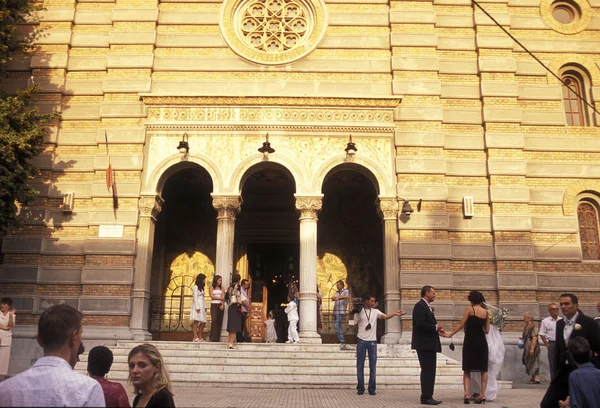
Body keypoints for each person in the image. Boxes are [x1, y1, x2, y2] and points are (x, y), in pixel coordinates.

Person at [0, 304, 105, 407]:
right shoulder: (88, 389)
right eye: (80, 334)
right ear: (74, 338)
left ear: (39, 340)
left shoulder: (5, 389)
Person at [541, 293, 600, 408]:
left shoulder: (588, 323)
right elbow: (559, 349)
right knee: (547, 404)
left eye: (567, 304)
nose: (563, 307)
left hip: (583, 372)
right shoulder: (560, 324)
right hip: (564, 372)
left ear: (576, 306)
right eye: (561, 304)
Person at [354, 295, 404, 396]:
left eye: (374, 301)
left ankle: (372, 388)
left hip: (372, 342)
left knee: (373, 366)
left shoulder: (376, 312)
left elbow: (385, 317)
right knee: (360, 365)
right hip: (361, 341)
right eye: (371, 301)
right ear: (367, 301)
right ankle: (360, 388)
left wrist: (394, 313)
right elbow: (353, 324)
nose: (373, 303)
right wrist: (353, 313)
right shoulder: (360, 312)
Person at [446, 290, 490, 404]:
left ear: (471, 300)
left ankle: (466, 394)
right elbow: (487, 330)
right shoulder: (486, 312)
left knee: (467, 369)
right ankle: (482, 394)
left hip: (470, 341)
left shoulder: (469, 309)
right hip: (481, 342)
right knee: (483, 369)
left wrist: (450, 334)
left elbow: (461, 324)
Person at [411, 285, 445, 406]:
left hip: (428, 344)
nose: (434, 295)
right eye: (433, 293)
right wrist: (435, 327)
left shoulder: (426, 306)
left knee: (429, 371)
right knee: (428, 371)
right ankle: (426, 397)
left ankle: (427, 395)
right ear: (427, 293)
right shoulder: (420, 306)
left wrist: (437, 329)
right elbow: (420, 325)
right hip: (424, 345)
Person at [557, 337, 600, 408]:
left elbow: (576, 404)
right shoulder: (598, 373)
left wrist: (565, 405)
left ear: (571, 356)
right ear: (590, 353)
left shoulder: (575, 376)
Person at [128, 343, 175, 408]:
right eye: (132, 366)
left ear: (157, 367)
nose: (134, 371)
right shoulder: (138, 399)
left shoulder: (162, 397)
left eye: (142, 365)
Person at [540, 303, 562, 381]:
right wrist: (547, 344)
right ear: (549, 311)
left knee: (561, 362)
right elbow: (542, 334)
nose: (555, 311)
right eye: (553, 309)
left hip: (561, 343)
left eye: (557, 309)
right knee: (552, 363)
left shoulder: (561, 320)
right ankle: (553, 381)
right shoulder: (545, 321)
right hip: (552, 343)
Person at [225, 272, 246, 349]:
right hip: (235, 307)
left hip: (230, 307)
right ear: (238, 280)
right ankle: (231, 343)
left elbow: (226, 298)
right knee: (234, 325)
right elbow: (238, 297)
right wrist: (241, 307)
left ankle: (229, 342)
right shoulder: (238, 287)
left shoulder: (229, 287)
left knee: (231, 325)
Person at [521, 312, 541, 384]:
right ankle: (533, 377)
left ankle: (536, 377)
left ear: (529, 318)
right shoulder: (526, 327)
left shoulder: (534, 327)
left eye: (525, 317)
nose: (524, 319)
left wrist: (532, 348)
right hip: (527, 346)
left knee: (535, 361)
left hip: (533, 346)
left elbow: (534, 337)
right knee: (528, 361)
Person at [0, 297, 16, 379]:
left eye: (4, 304)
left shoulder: (12, 315)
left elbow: (10, 326)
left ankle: (1, 377)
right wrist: (3, 328)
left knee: (3, 359)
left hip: (6, 339)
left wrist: (10, 316)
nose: (2, 305)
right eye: (2, 303)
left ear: (8, 306)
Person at [191, 273, 207, 343]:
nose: (204, 281)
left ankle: (200, 336)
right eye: (204, 279)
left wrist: (205, 306)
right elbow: (195, 297)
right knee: (196, 321)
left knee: (203, 321)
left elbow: (203, 298)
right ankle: (195, 336)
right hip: (197, 304)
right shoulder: (195, 287)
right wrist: (197, 306)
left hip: (202, 304)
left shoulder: (201, 288)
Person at [209, 274, 224, 342]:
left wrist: (222, 304)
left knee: (219, 321)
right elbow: (212, 296)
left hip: (220, 304)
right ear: (216, 280)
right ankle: (213, 337)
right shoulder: (211, 287)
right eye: (219, 280)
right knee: (214, 320)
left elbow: (223, 297)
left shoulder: (222, 288)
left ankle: (217, 337)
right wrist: (219, 297)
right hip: (214, 305)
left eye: (221, 280)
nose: (220, 282)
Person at [237, 278, 251, 343]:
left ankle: (241, 338)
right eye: (246, 285)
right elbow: (242, 300)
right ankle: (239, 339)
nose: (247, 286)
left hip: (245, 310)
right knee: (240, 325)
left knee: (242, 325)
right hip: (242, 309)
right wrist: (248, 306)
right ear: (242, 285)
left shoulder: (245, 291)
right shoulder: (241, 290)